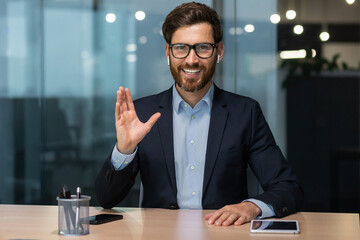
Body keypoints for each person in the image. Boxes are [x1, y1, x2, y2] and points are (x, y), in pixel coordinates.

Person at [95, 2, 303, 226]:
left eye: (203, 47)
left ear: (219, 51)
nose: (191, 59)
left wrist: (251, 207)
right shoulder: (143, 113)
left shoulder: (245, 113)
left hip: (223, 234)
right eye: (181, 48)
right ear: (168, 52)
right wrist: (124, 150)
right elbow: (106, 199)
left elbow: (288, 187)